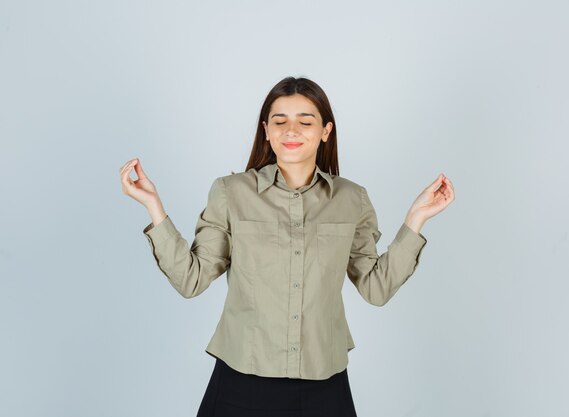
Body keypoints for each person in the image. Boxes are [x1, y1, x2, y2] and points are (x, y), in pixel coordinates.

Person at [119, 76, 455, 417]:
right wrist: (154, 207)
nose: (291, 130)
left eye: (305, 121)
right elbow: (191, 280)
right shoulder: (230, 193)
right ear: (266, 130)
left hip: (324, 383)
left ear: (325, 130)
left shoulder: (352, 199)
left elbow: (376, 288)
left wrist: (415, 219)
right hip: (241, 380)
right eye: (280, 121)